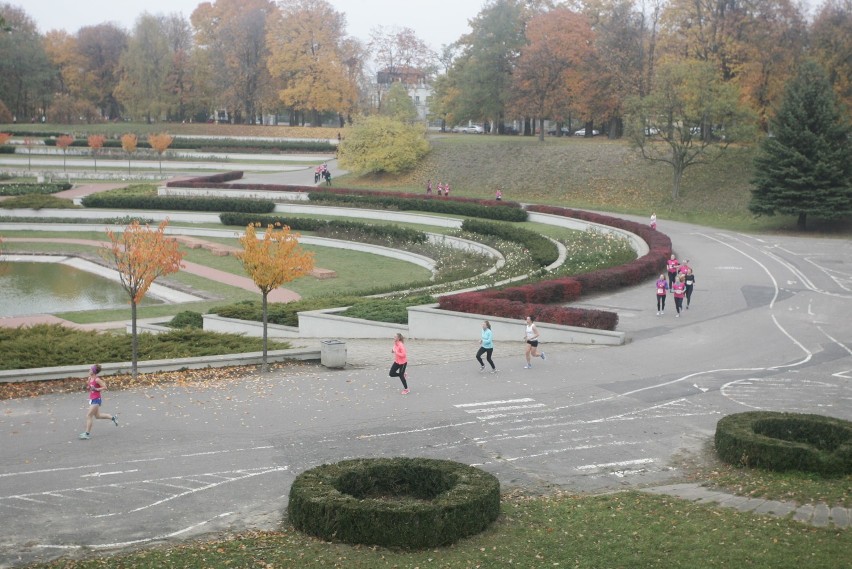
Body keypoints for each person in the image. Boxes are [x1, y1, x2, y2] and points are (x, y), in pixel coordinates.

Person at [79, 364, 118, 440]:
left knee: (89, 416)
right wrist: (88, 387)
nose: (89, 370)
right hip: (92, 399)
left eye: (90, 369)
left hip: (97, 399)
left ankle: (87, 434)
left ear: (93, 371)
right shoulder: (90, 378)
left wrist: (96, 389)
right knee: (98, 416)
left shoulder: (97, 379)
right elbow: (90, 387)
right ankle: (113, 418)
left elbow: (105, 387)